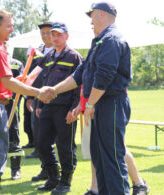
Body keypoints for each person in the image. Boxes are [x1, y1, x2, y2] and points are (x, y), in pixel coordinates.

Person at [48, 2, 132, 194]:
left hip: (111, 104)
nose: (90, 21)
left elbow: (104, 76)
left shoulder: (111, 39)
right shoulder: (100, 41)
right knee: (100, 157)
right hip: (100, 104)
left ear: (101, 14)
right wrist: (54, 89)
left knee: (112, 159)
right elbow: (80, 73)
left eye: (92, 16)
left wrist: (91, 103)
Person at [0, 10, 55, 195]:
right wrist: (38, 92)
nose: (12, 29)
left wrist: (18, 85)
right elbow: (7, 81)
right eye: (8, 26)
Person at [74, 90, 150, 195]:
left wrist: (89, 104)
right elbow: (84, 85)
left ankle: (139, 183)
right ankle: (95, 188)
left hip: (103, 105)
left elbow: (103, 82)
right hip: (90, 107)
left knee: (115, 148)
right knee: (96, 151)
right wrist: (81, 104)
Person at [36, 22, 82, 194]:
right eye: (52, 35)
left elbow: (79, 85)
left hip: (65, 109)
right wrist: (40, 104)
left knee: (65, 146)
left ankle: (66, 182)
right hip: (48, 107)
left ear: (66, 36)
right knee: (42, 144)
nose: (55, 38)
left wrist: (75, 108)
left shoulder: (74, 57)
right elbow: (44, 82)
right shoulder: (47, 57)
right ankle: (53, 177)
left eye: (59, 35)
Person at [25, 21, 54, 184]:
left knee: (57, 140)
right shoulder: (38, 51)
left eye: (48, 32)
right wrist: (29, 97)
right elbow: (33, 75)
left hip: (55, 100)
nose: (45, 36)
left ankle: (59, 176)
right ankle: (46, 170)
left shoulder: (62, 52)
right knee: (40, 135)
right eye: (42, 33)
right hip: (38, 99)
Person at [3, 41, 25, 180]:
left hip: (11, 106)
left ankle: (15, 170)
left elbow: (23, 83)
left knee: (13, 138)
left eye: (5, 44)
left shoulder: (16, 64)